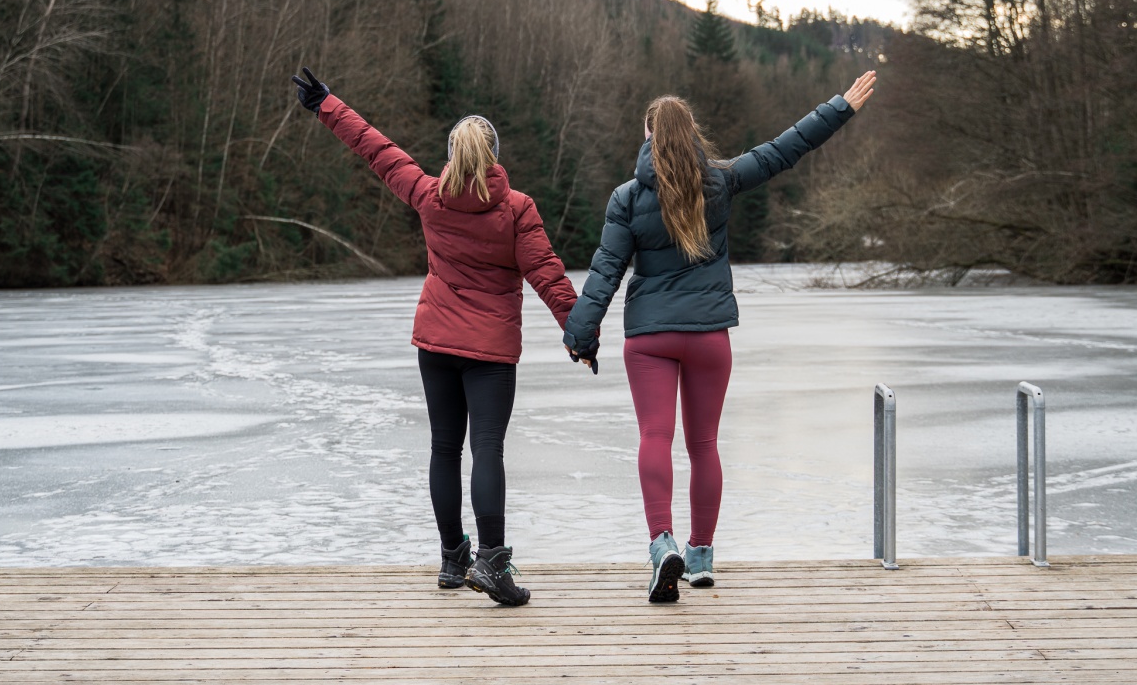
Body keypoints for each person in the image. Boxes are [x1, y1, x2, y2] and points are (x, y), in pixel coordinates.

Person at [562, 72, 877, 602]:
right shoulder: (722, 181)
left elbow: (605, 270)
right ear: (692, 134)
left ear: (647, 136)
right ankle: (701, 555)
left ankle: (662, 545)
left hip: (650, 336)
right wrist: (839, 108)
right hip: (708, 335)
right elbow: (785, 148)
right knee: (704, 444)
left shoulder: (627, 198)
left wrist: (581, 333)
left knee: (654, 438)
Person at [292, 67, 579, 606]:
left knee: (444, 448)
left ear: (452, 154)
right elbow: (547, 273)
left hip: (436, 346)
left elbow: (377, 150)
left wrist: (327, 104)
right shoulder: (517, 208)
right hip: (490, 351)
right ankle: (491, 562)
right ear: (493, 156)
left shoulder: (429, 195)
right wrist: (580, 332)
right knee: (486, 448)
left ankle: (453, 558)